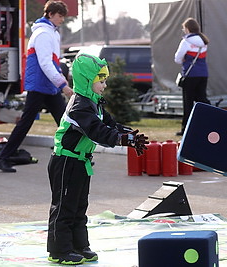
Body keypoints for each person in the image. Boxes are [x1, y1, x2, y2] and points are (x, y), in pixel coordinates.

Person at [46, 53, 149, 265]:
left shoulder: (95, 103)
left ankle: (79, 245)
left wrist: (129, 136)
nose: (104, 85)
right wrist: (120, 140)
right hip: (65, 161)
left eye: (105, 80)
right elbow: (96, 131)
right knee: (64, 206)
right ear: (86, 80)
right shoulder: (79, 106)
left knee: (79, 206)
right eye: (100, 81)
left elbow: (110, 124)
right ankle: (59, 250)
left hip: (81, 161)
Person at [0, 0, 73, 172]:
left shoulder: (52, 33)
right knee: (26, 123)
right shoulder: (43, 34)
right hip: (39, 85)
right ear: (50, 14)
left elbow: (54, 63)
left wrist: (60, 80)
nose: (62, 19)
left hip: (49, 85)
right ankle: (3, 158)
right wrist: (62, 85)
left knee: (64, 121)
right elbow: (45, 64)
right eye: (60, 16)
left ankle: (73, 156)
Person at [174, 17, 210, 136]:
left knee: (188, 102)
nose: (184, 30)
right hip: (203, 74)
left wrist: (184, 59)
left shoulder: (186, 41)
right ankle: (210, 123)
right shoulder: (203, 41)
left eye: (184, 28)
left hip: (190, 75)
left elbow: (177, 58)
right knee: (202, 100)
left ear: (188, 29)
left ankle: (186, 130)